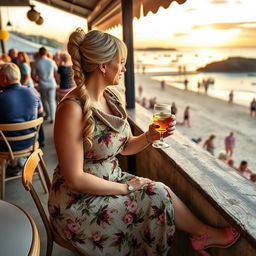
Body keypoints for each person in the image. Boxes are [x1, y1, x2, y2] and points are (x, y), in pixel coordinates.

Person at [48, 28, 239, 256]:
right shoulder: (71, 108)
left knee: (159, 191)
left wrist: (150, 136)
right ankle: (203, 236)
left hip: (109, 181)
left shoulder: (111, 98)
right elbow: (75, 178)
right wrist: (125, 188)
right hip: (79, 202)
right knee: (154, 197)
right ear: (103, 66)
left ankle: (202, 235)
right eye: (121, 62)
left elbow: (126, 147)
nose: (125, 68)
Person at [0, 63, 43, 174]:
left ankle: (13, 164)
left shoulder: (1, 98)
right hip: (31, 141)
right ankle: (18, 162)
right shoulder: (32, 91)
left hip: (8, 146)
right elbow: (40, 112)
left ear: (4, 78)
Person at [32, 47, 58, 123]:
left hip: (42, 84)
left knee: (44, 100)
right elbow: (56, 71)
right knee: (52, 100)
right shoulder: (51, 61)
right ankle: (53, 117)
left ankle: (48, 114)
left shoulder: (36, 62)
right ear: (46, 53)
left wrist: (37, 81)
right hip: (52, 84)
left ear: (39, 53)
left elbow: (33, 74)